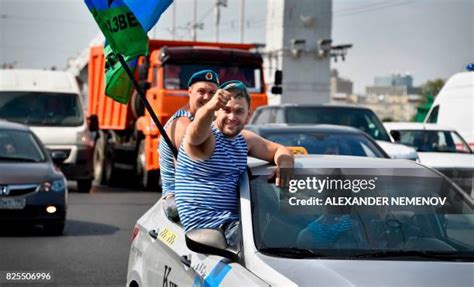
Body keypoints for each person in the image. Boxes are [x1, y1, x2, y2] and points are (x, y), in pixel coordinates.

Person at [174, 80, 294, 246]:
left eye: (239, 112)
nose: (232, 117)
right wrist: (209, 107)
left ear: (248, 115)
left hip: (236, 224)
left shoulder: (243, 140)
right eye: (226, 110)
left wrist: (285, 165)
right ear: (216, 112)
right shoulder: (207, 138)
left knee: (295, 237)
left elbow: (280, 150)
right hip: (210, 232)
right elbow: (196, 132)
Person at [159, 69, 219, 221]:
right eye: (201, 91)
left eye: (212, 93)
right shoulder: (182, 123)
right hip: (178, 198)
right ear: (190, 92)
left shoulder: (206, 121)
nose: (207, 97)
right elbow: (195, 164)